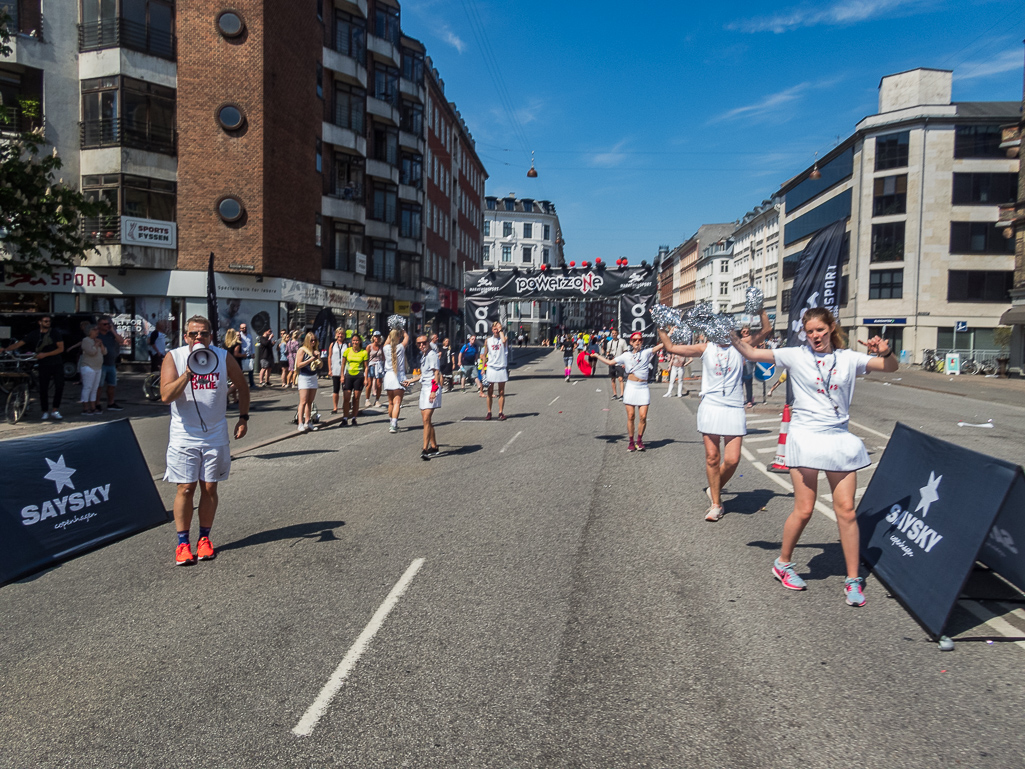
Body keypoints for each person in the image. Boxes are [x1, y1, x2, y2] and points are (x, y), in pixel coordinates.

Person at [732, 307, 898, 607]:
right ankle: (783, 563)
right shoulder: (796, 355)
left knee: (846, 510)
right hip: (805, 436)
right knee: (805, 509)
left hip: (838, 438)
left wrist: (887, 352)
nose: (814, 336)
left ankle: (852, 579)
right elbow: (752, 354)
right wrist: (729, 336)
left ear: (831, 328)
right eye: (809, 332)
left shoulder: (849, 359)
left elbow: (890, 368)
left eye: (819, 330)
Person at [658, 309, 771, 522]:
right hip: (711, 406)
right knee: (712, 457)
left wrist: (761, 310)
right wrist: (660, 326)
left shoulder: (741, 345)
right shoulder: (705, 348)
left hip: (734, 407)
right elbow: (671, 347)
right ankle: (716, 504)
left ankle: (714, 487)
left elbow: (766, 330)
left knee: (733, 459)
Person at [160, 315, 249, 566]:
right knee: (186, 488)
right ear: (186, 336)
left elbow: (242, 386)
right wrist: (188, 374)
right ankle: (182, 544)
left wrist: (243, 418)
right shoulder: (174, 357)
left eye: (204, 334)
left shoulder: (222, 357)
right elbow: (166, 395)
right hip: (184, 435)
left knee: (210, 487)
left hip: (215, 433)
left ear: (212, 336)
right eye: (193, 334)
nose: (199, 338)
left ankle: (204, 539)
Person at [593, 332, 663, 451]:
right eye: (635, 340)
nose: (637, 342)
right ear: (631, 342)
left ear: (642, 342)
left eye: (640, 340)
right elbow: (610, 362)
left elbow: (661, 345)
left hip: (643, 387)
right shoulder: (626, 356)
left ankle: (639, 440)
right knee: (631, 416)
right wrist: (597, 356)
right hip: (631, 387)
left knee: (643, 416)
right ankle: (631, 441)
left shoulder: (646, 353)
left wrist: (669, 333)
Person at [3, 314, 66, 420]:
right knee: (43, 388)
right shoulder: (34, 334)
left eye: (49, 321)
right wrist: (6, 349)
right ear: (40, 322)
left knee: (59, 386)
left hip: (56, 363)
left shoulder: (55, 333)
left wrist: (45, 354)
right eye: (45, 321)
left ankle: (55, 409)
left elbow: (60, 349)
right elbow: (20, 343)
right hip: (43, 364)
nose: (48, 323)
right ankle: (44, 411)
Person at [413, 334, 442, 460]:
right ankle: (434, 446)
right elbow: (424, 374)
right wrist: (411, 380)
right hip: (424, 389)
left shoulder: (432, 355)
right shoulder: (424, 355)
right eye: (419, 344)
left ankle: (425, 449)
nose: (421, 345)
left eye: (424, 343)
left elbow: (436, 374)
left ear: (428, 342)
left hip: (432, 388)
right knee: (427, 420)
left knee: (426, 419)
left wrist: (434, 391)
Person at [383, 327, 410, 433]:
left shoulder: (385, 348)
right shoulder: (401, 347)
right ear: (398, 337)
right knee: (397, 402)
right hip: (399, 376)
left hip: (388, 376)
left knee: (390, 403)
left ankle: (391, 422)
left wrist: (392, 331)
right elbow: (407, 337)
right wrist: (403, 330)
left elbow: (387, 340)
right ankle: (394, 424)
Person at [96, 316, 126, 411]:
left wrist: (113, 330)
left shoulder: (111, 334)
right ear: (99, 325)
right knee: (99, 386)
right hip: (101, 364)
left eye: (108, 324)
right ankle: (97, 404)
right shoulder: (97, 335)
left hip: (111, 363)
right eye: (104, 324)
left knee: (112, 384)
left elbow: (121, 341)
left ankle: (111, 403)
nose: (107, 326)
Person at [294, 332, 321, 432]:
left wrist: (318, 359)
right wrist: (311, 359)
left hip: (313, 376)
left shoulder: (315, 350)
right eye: (311, 340)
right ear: (307, 341)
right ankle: (300, 423)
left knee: (310, 402)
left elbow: (320, 365)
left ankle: (308, 422)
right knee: (303, 401)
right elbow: (299, 364)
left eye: (315, 340)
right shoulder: (302, 350)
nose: (313, 342)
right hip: (304, 377)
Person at [484, 321, 509, 420]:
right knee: (489, 391)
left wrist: (501, 330)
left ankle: (500, 412)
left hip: (501, 367)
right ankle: (489, 412)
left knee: (501, 391)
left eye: (497, 329)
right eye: (494, 329)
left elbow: (503, 341)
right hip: (491, 367)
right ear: (491, 330)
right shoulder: (488, 340)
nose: (496, 331)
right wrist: (482, 369)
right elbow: (484, 354)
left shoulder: (504, 338)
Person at [78, 324, 106, 415]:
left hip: (98, 367)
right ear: (89, 331)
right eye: (94, 329)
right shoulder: (86, 340)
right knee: (87, 387)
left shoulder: (96, 340)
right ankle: (85, 407)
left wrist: (101, 344)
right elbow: (91, 352)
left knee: (94, 388)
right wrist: (96, 344)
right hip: (88, 367)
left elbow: (105, 352)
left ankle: (93, 407)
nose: (97, 331)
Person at [341, 334, 368, 425]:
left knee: (356, 398)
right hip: (348, 375)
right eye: (353, 340)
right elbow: (343, 364)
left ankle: (354, 417)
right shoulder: (347, 351)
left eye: (357, 340)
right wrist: (342, 376)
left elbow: (366, 367)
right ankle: (345, 418)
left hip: (359, 376)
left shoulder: (363, 352)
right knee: (346, 397)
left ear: (360, 341)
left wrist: (366, 378)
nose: (355, 342)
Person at [604, 328, 628, 400]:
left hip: (620, 363)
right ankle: (615, 394)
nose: (614, 334)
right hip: (612, 363)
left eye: (615, 333)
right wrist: (608, 355)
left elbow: (625, 352)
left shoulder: (622, 342)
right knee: (613, 379)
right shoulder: (609, 343)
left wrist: (624, 362)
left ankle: (622, 394)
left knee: (620, 379)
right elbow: (607, 352)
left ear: (617, 333)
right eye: (613, 333)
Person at [328, 327, 347, 414]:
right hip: (335, 369)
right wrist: (329, 369)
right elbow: (329, 357)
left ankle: (344, 406)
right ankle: (335, 407)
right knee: (335, 389)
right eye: (339, 333)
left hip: (345, 371)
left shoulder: (347, 345)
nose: (340, 335)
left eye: (342, 333)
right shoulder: (332, 344)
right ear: (336, 335)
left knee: (345, 390)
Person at [222, 328, 243, 406]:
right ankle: (225, 394)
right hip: (236, 364)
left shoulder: (225, 344)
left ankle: (235, 398)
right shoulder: (237, 344)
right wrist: (244, 355)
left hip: (226, 364)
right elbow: (236, 354)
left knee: (231, 381)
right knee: (238, 383)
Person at [365, 331, 385, 407]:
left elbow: (383, 357)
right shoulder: (369, 346)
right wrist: (365, 368)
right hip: (371, 366)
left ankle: (377, 400)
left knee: (379, 384)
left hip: (379, 366)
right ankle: (367, 400)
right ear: (373, 338)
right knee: (369, 384)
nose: (377, 338)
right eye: (375, 336)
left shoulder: (381, 347)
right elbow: (366, 358)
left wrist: (384, 366)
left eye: (378, 336)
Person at [238, 322, 256, 390]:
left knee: (251, 369)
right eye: (243, 328)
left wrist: (253, 353)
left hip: (248, 355)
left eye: (245, 327)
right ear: (240, 329)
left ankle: (252, 384)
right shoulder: (240, 336)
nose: (244, 329)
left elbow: (252, 345)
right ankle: (241, 385)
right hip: (242, 355)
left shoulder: (249, 336)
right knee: (242, 371)